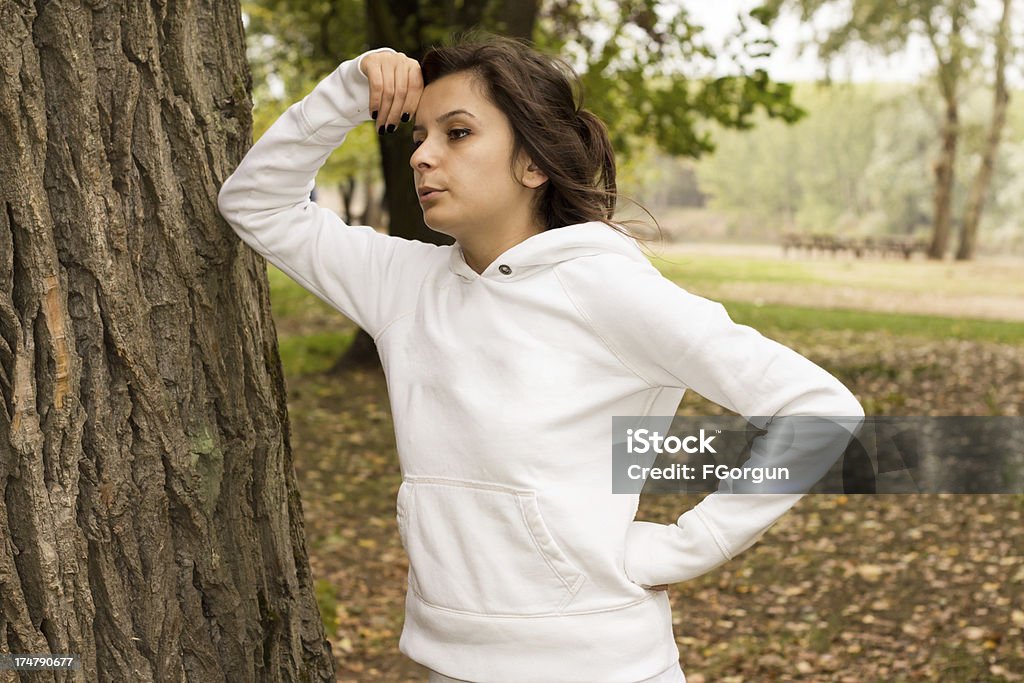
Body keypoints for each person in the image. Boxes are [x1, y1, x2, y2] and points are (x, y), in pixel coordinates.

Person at [217, 29, 864, 683]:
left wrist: (687, 545)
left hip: (598, 667)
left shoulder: (607, 288)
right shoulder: (401, 285)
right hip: (450, 660)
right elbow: (256, 203)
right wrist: (353, 88)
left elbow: (817, 409)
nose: (423, 157)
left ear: (532, 164)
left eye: (458, 133)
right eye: (420, 136)